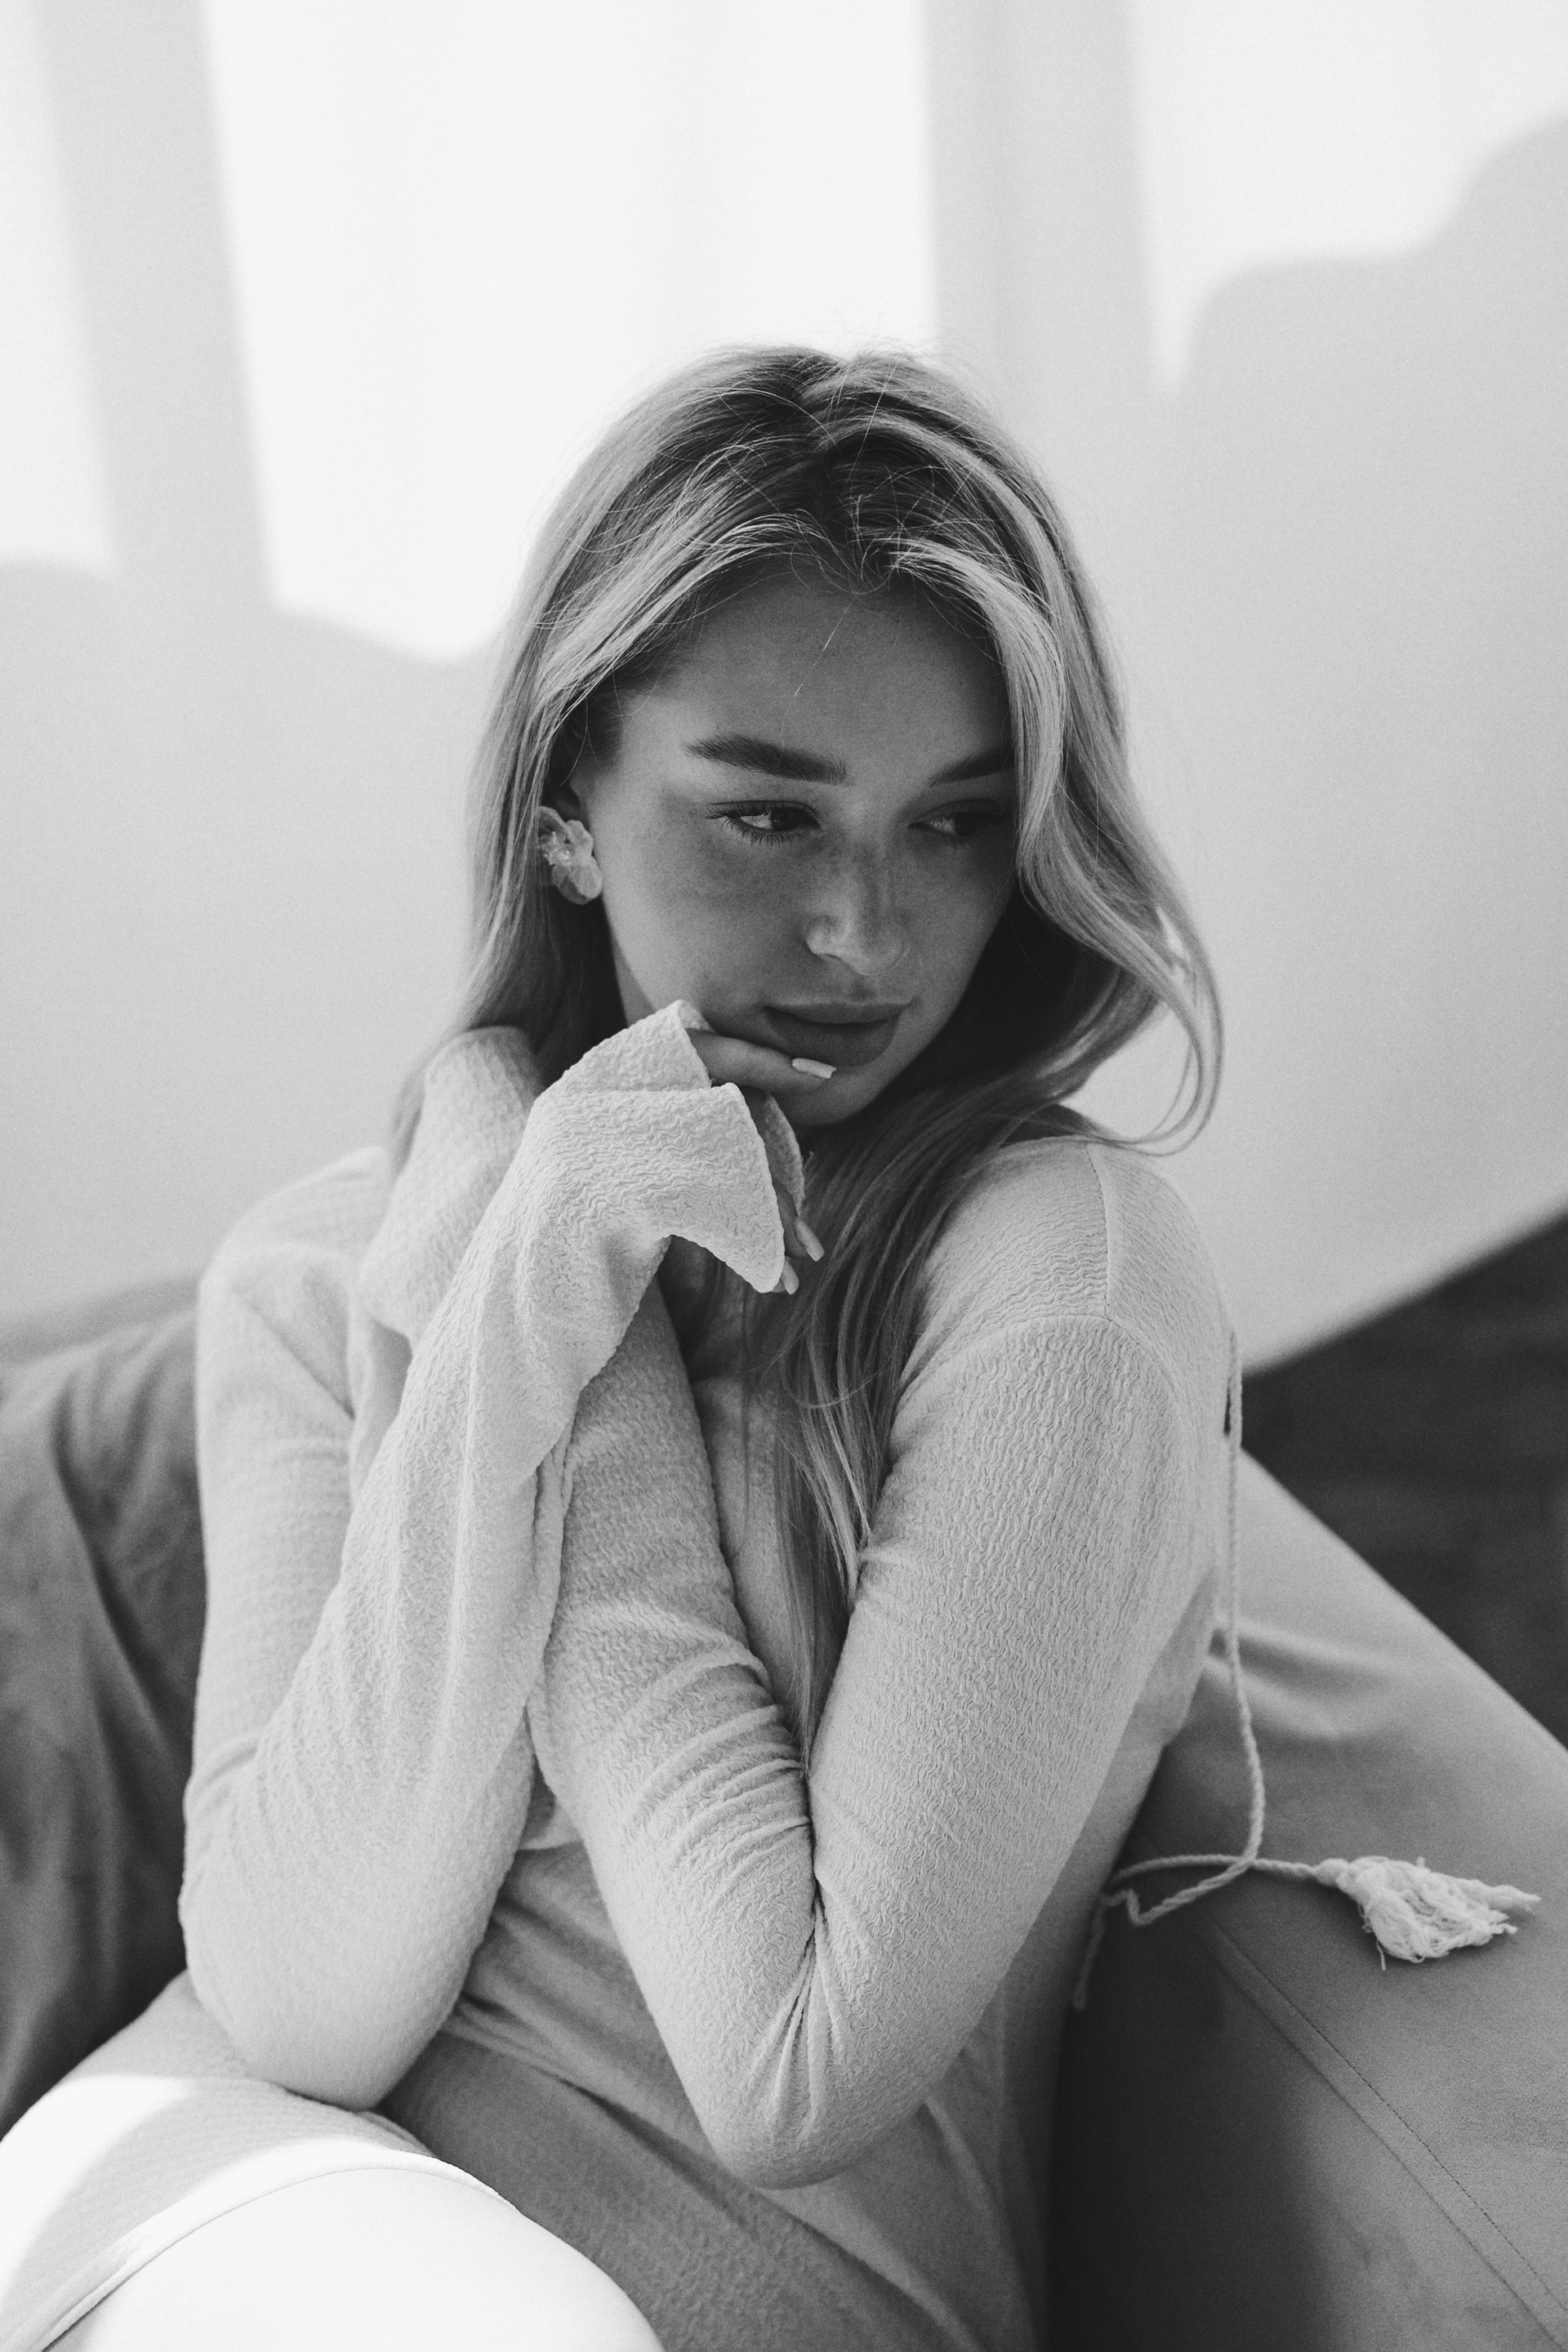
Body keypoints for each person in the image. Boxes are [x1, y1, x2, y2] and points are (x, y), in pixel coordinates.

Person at [3, 345, 1237, 2351]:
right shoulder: (323, 1269)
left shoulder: (1057, 1274)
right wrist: (520, 1267)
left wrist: (565, 1306)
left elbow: (789, 2066)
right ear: (570, 802)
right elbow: (305, 2002)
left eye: (952, 826)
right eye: (765, 815)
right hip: (235, 2189)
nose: (867, 934)